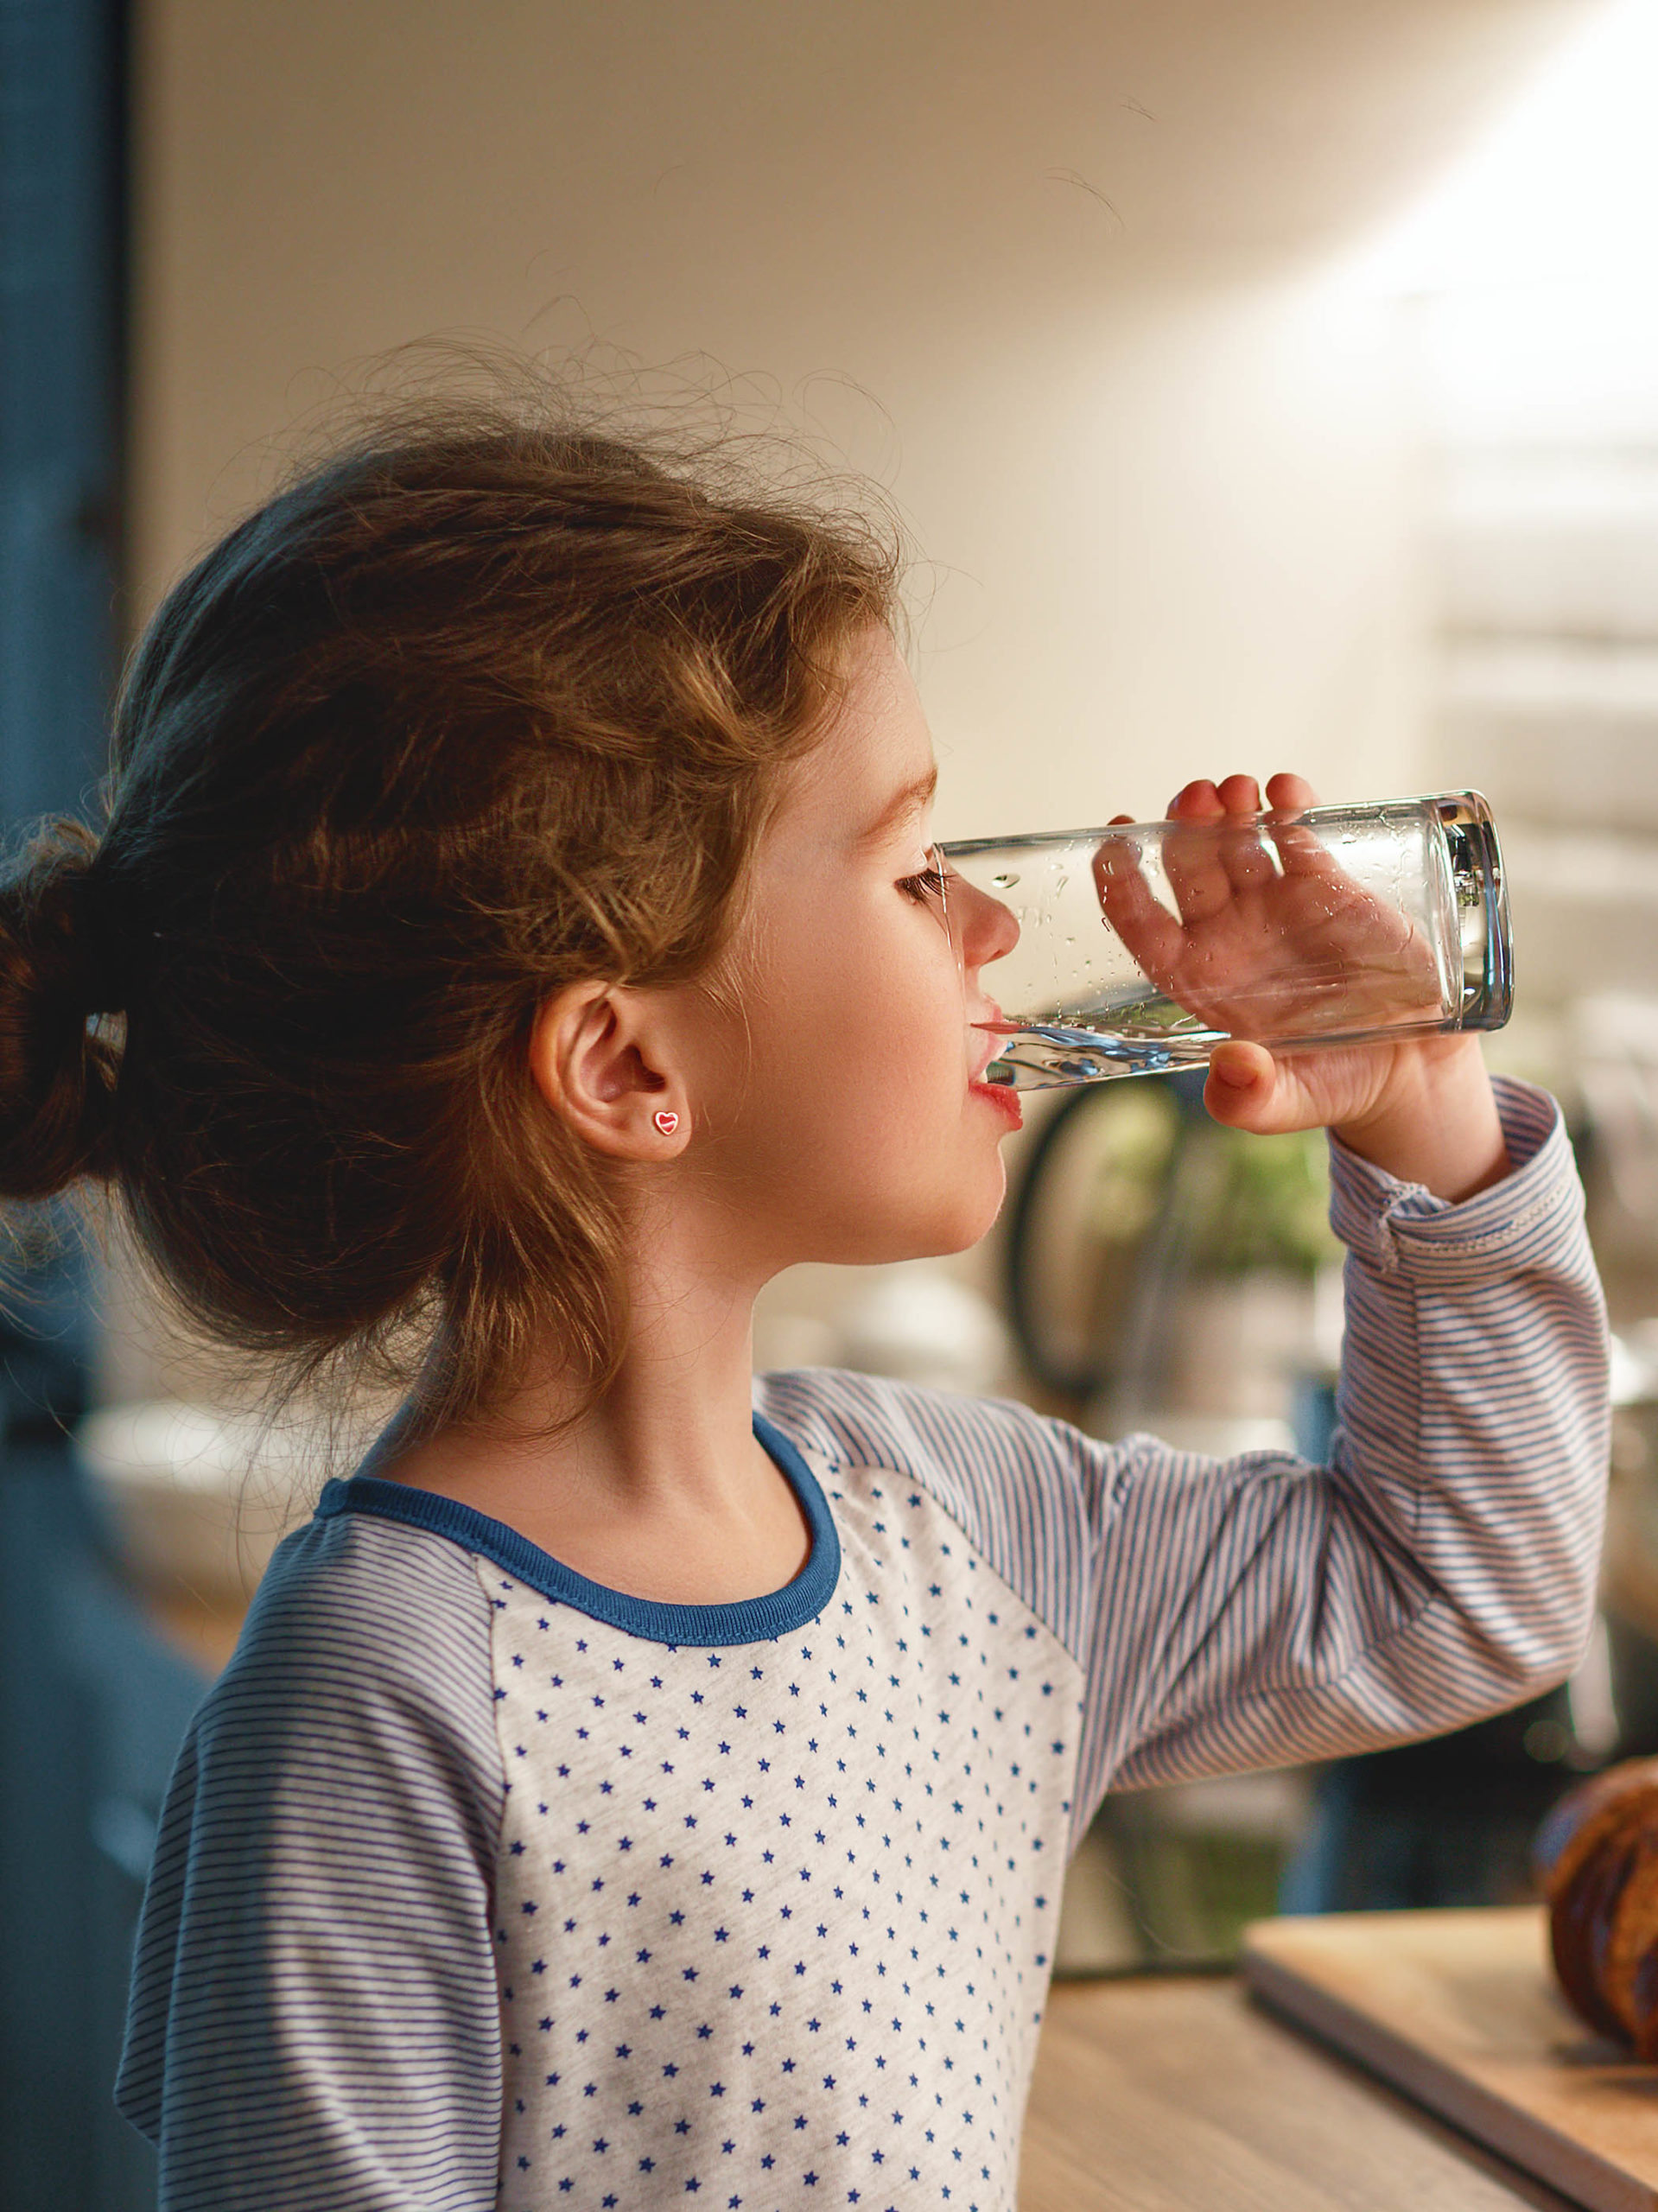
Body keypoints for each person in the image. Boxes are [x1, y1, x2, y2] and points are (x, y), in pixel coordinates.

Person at [0, 388, 1608, 2212]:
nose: (994, 926)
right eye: (915, 867)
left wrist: (1417, 1105)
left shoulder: (966, 1531)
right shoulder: (382, 1707)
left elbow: (1455, 1590)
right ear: (623, 1065)